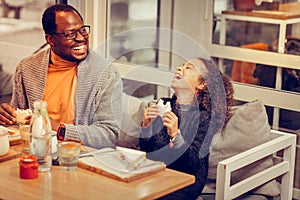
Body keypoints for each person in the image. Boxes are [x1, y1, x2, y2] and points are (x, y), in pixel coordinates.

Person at [0, 4, 123, 149]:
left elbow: (109, 135)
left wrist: (59, 128)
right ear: (51, 40)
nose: (81, 38)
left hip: (78, 157)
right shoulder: (26, 68)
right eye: (70, 34)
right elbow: (18, 123)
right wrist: (7, 117)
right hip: (34, 151)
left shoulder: (106, 73)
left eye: (83, 30)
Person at [139, 57, 235, 200]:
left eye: (189, 68)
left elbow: (194, 162)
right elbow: (150, 149)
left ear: (202, 84)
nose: (179, 68)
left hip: (186, 183)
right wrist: (147, 126)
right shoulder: (163, 105)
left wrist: (175, 135)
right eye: (181, 66)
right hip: (158, 175)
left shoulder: (203, 118)